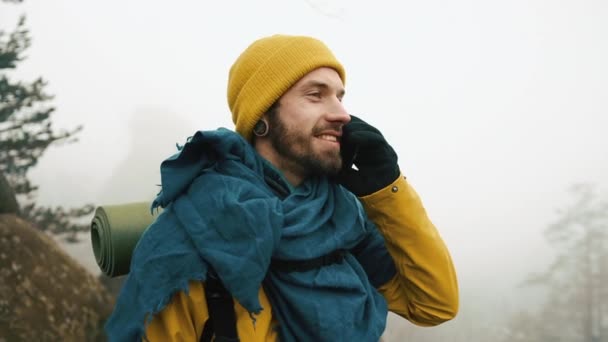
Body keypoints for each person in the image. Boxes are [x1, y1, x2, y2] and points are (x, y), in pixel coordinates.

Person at [105, 34, 459, 342]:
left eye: (339, 96)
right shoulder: (195, 240)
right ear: (262, 117)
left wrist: (387, 189)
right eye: (315, 95)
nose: (342, 114)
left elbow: (434, 304)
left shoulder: (345, 222)